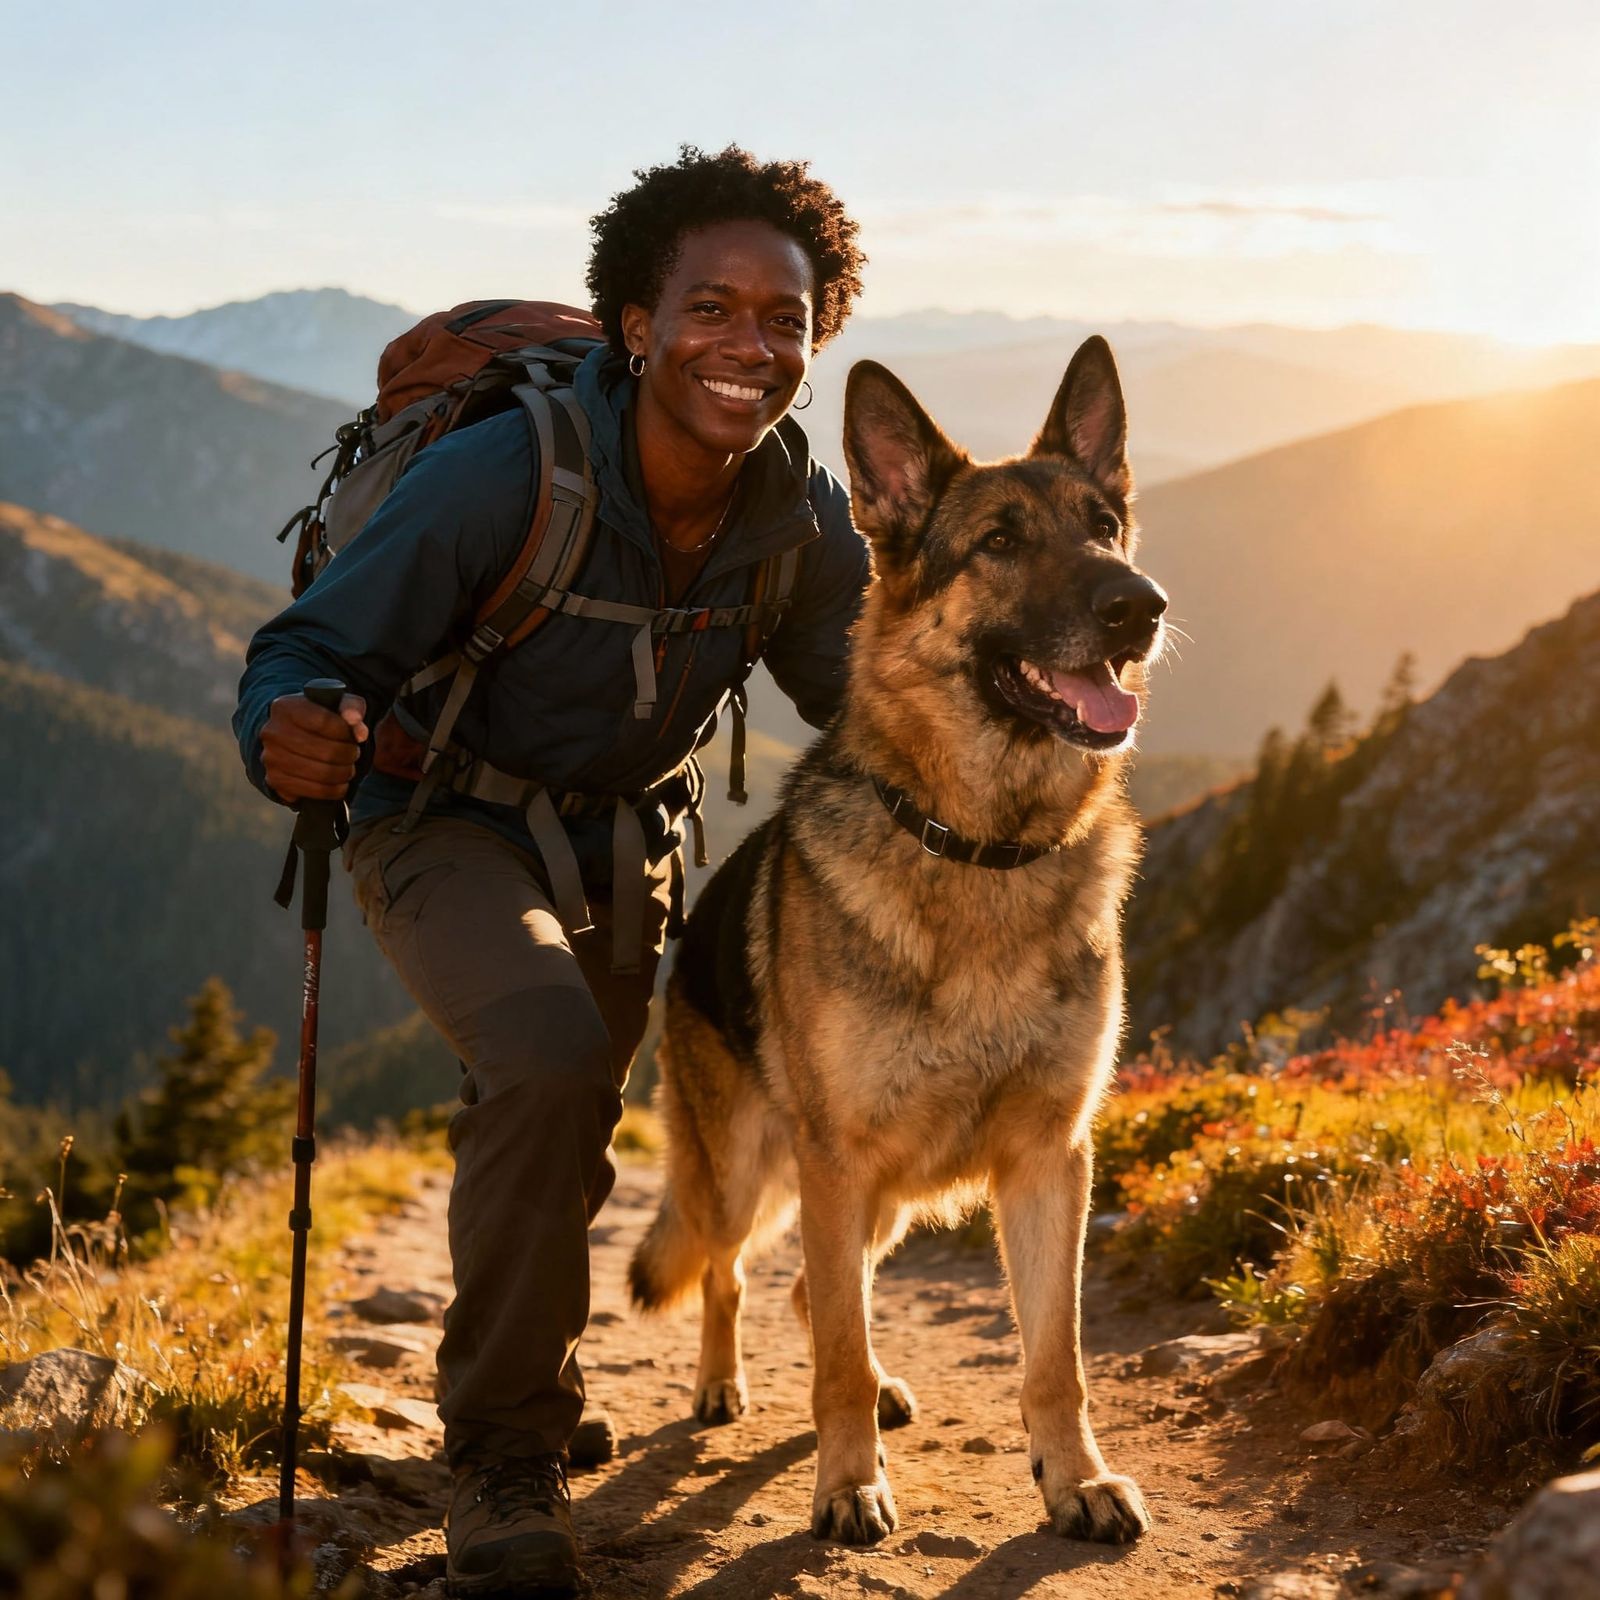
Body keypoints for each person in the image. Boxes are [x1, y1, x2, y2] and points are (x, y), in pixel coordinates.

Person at [233, 146, 869, 1596]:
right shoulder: (501, 474)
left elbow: (871, 703)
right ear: (637, 326)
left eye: (786, 318)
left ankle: (527, 1378)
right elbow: (309, 648)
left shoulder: (795, 517)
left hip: (615, 835)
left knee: (571, 1110)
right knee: (541, 1058)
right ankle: (503, 1459)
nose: (750, 346)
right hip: (430, 809)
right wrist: (290, 732)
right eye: (711, 309)